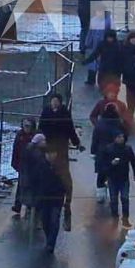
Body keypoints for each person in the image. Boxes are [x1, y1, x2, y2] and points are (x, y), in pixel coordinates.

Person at [38, 90, 82, 228]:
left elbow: (70, 128)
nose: (54, 103)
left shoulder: (64, 113)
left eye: (56, 101)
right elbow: (41, 127)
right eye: (53, 101)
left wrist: (76, 142)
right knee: (45, 170)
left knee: (64, 174)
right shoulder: (46, 112)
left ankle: (66, 202)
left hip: (61, 145)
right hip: (48, 144)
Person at [25, 136, 67, 254]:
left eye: (53, 153)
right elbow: (33, 180)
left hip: (56, 199)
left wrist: (62, 193)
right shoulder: (40, 166)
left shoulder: (60, 167)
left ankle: (51, 243)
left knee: (54, 220)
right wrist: (35, 193)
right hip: (43, 199)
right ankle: (49, 237)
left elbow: (66, 183)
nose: (50, 156)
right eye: (48, 154)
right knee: (45, 221)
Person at [103, 132, 135, 227]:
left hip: (124, 179)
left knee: (125, 198)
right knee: (114, 199)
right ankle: (115, 217)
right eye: (119, 137)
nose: (121, 139)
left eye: (122, 137)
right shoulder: (109, 149)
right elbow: (103, 165)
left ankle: (125, 218)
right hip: (112, 179)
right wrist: (111, 163)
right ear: (115, 138)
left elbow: (133, 161)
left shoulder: (127, 149)